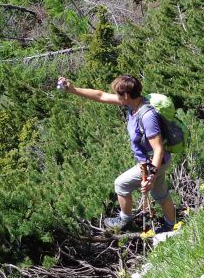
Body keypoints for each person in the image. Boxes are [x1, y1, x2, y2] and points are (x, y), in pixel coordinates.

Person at [57, 74, 177, 232]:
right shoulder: (132, 104)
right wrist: (73, 90)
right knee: (160, 193)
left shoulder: (147, 116)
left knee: (121, 184)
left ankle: (124, 219)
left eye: (118, 94)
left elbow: (158, 148)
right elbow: (101, 95)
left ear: (126, 96)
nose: (115, 96)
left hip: (153, 163)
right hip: (155, 162)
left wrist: (151, 176)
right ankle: (172, 225)